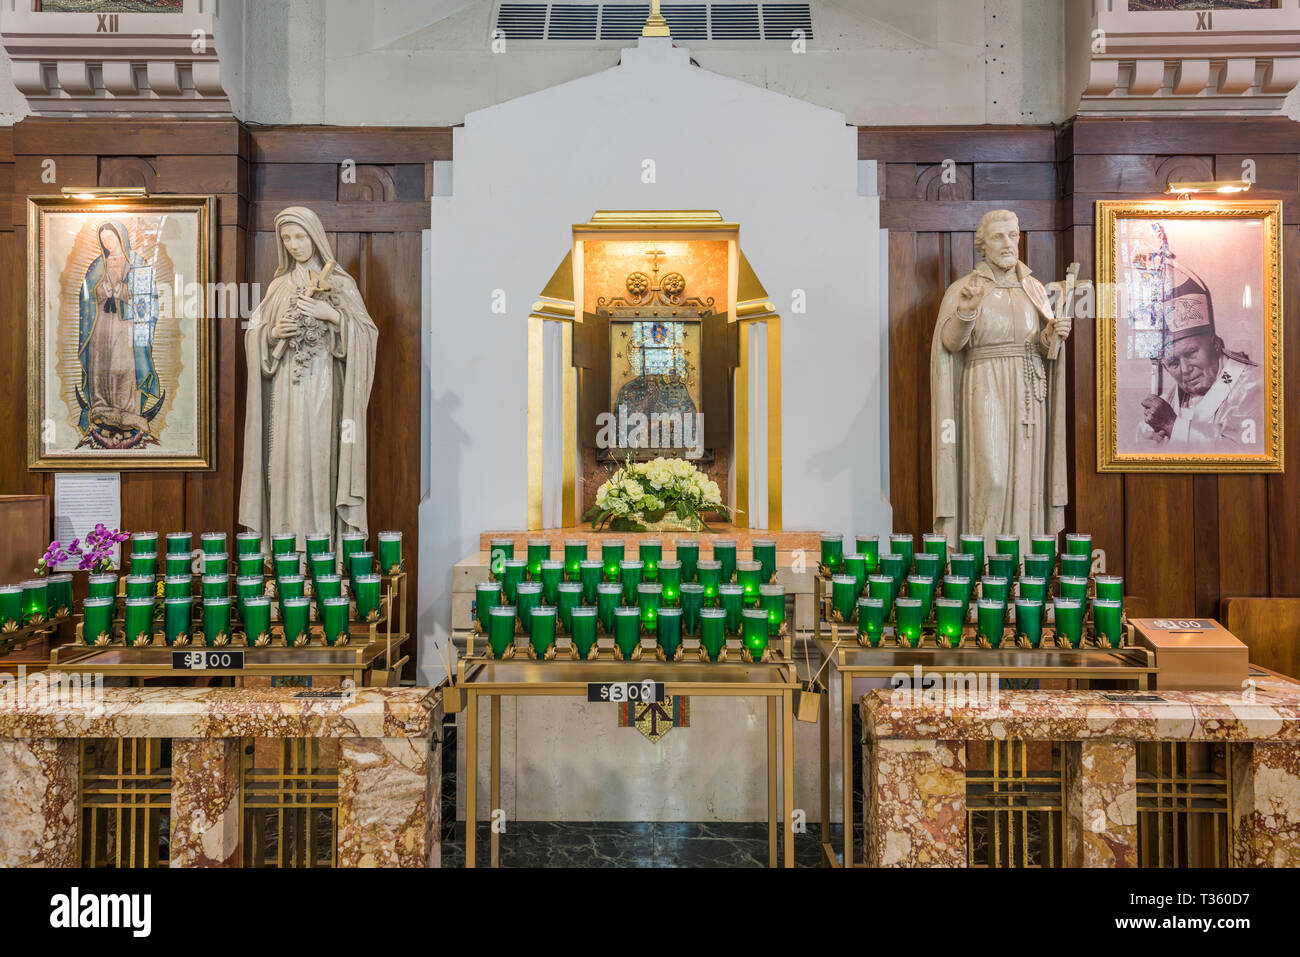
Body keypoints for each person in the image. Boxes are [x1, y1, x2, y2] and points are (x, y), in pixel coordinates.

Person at [238, 206, 378, 552]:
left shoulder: (340, 284)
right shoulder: (279, 286)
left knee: (319, 459)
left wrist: (332, 315)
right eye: (287, 239)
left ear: (315, 237)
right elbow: (255, 335)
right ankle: (287, 551)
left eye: (300, 236)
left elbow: (366, 334)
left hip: (325, 390)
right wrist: (271, 334)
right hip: (285, 390)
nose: (294, 245)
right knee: (286, 460)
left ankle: (320, 552)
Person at [930, 209, 1070, 549]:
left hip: (1028, 393)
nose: (1008, 243)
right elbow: (950, 343)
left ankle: (1022, 566)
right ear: (983, 246)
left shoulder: (1033, 288)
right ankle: (981, 569)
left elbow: (1040, 347)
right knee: (991, 477)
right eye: (998, 237)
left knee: (1025, 479)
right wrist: (966, 311)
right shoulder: (966, 288)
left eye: (1013, 235)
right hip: (984, 387)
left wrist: (1052, 335)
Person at [1138, 270, 1263, 450]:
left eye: (1191, 353)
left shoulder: (1255, 387)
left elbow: (1246, 452)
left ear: (1215, 344)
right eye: (1173, 363)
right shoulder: (1169, 400)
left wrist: (1172, 426)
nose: (1185, 369)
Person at [76, 220, 161, 447]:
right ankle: (102, 408)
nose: (107, 243)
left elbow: (147, 299)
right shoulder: (96, 266)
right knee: (101, 366)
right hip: (101, 326)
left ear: (120, 237)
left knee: (122, 366)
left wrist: (122, 290)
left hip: (126, 326)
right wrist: (102, 290)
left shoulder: (138, 264)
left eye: (111, 239)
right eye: (104, 240)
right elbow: (86, 299)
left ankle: (127, 410)